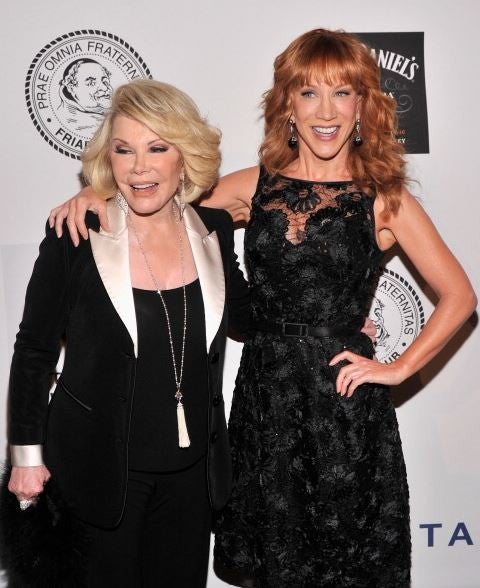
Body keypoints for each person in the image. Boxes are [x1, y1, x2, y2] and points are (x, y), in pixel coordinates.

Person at [48, 29, 477, 588]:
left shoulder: (385, 198)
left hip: (344, 406)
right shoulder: (253, 186)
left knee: (347, 561)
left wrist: (397, 368)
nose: (326, 111)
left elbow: (460, 296)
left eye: (342, 93)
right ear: (288, 107)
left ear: (362, 106)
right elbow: (156, 198)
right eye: (308, 93)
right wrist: (98, 193)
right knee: (274, 561)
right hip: (265, 399)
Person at [7, 78, 250, 587]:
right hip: (96, 472)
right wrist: (26, 457)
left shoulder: (214, 230)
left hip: (192, 479)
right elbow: (34, 350)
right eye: (124, 150)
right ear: (108, 159)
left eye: (157, 148)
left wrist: (334, 318)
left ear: (185, 156)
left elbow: (250, 317)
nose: (139, 167)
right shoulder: (76, 234)